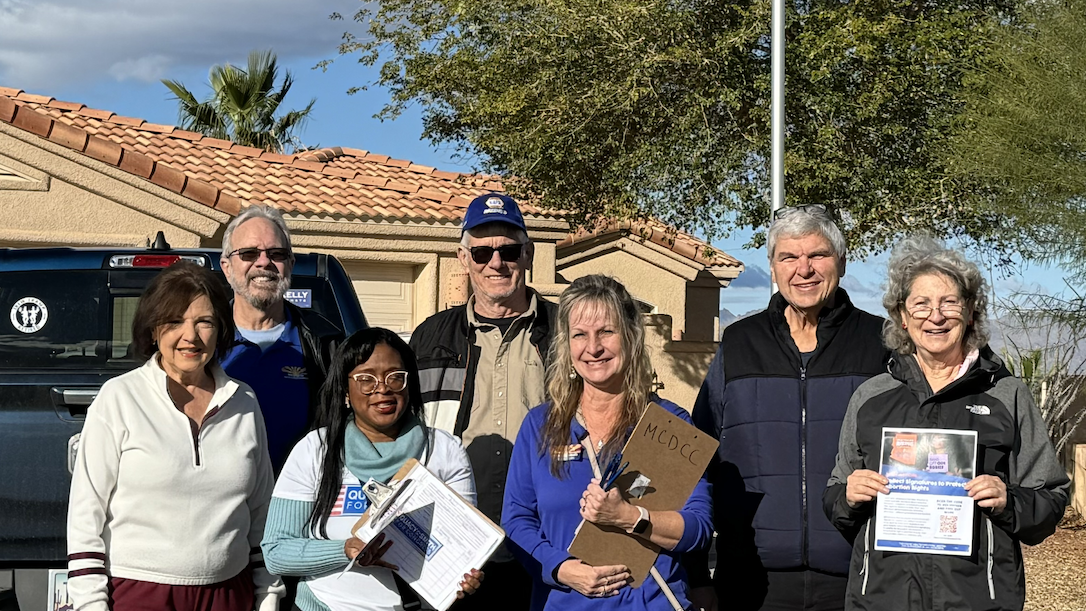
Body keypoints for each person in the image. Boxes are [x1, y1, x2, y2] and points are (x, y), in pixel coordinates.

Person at [823, 236, 1069, 611]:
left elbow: (1050, 499)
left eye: (949, 303)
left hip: (978, 600)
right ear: (902, 317)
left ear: (970, 312)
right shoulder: (870, 397)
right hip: (882, 600)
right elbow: (836, 497)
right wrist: (848, 496)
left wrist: (1009, 500)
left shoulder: (1007, 394)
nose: (935, 316)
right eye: (920, 304)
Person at [687, 204, 889, 611]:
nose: (804, 269)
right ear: (774, 267)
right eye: (789, 257)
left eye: (818, 255)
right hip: (751, 579)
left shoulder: (882, 343)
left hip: (860, 576)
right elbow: (695, 459)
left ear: (842, 262)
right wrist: (694, 573)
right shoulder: (739, 343)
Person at [67, 261, 283, 611]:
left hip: (230, 595)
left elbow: (261, 512)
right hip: (138, 594)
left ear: (221, 330)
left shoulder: (244, 402)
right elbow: (85, 513)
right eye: (174, 321)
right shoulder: (119, 398)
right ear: (153, 330)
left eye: (205, 322)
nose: (191, 336)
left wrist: (268, 594)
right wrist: (90, 603)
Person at [503, 274, 713, 610]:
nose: (593, 348)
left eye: (606, 332)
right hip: (564, 603)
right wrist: (561, 569)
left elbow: (698, 529)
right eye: (580, 335)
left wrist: (631, 517)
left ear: (630, 336)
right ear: (566, 344)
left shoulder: (667, 425)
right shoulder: (540, 426)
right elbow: (517, 521)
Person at [261, 327, 484, 611]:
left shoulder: (445, 450)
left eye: (395, 377)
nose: (383, 388)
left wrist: (466, 576)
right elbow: (277, 550)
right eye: (366, 379)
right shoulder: (316, 449)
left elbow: (466, 549)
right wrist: (346, 549)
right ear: (344, 388)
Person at [410, 193, 557, 609]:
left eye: (509, 249)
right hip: (455, 540)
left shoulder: (568, 333)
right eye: (482, 251)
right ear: (463, 256)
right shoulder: (429, 338)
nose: (496, 262)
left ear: (527, 254)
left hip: (546, 536)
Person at [219, 204, 343, 472]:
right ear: (227, 267)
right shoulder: (205, 340)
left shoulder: (326, 342)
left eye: (276, 253)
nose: (264, 262)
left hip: (301, 504)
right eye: (249, 253)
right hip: (222, 507)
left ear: (290, 265)